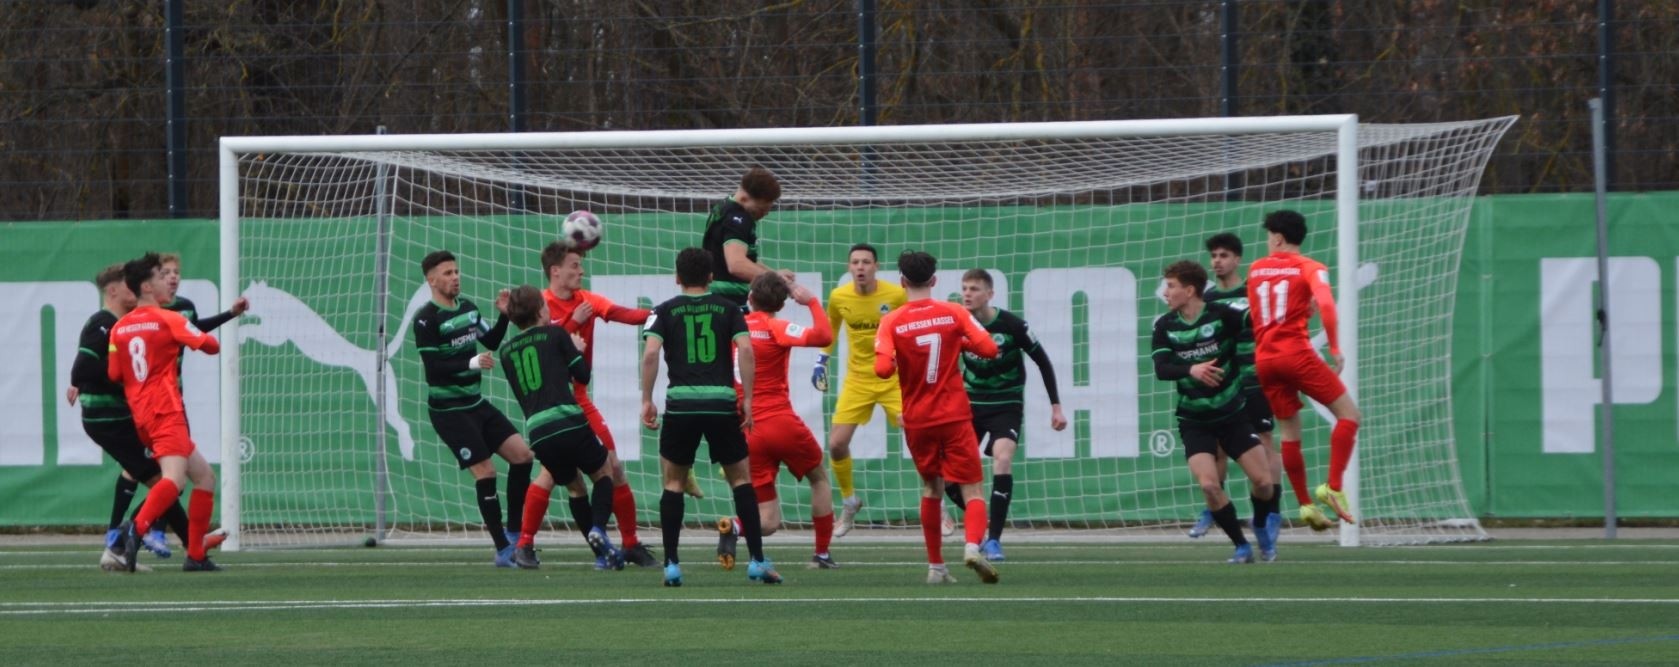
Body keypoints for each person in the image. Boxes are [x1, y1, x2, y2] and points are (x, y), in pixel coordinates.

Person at [540, 241, 699, 568]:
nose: (581, 271)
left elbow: (626, 315)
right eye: (574, 265)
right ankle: (522, 543)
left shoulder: (588, 301)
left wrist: (662, 313)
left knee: (612, 468)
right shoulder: (540, 306)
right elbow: (540, 347)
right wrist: (571, 321)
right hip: (551, 403)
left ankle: (628, 544)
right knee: (554, 477)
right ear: (555, 271)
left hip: (579, 400)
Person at [640, 247, 780, 587]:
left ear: (677, 277)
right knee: (741, 481)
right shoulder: (730, 308)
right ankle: (757, 561)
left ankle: (671, 566)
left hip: (681, 404)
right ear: (711, 277)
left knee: (673, 483)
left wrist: (646, 399)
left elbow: (651, 355)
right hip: (720, 402)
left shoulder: (662, 311)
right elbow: (746, 349)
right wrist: (748, 399)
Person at [872, 250, 1000, 584]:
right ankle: (971, 546)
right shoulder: (954, 312)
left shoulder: (891, 321)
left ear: (902, 282)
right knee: (972, 489)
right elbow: (990, 349)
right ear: (934, 280)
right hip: (954, 415)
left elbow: (882, 369)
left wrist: (897, 358)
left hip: (918, 420)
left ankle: (936, 567)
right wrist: (960, 342)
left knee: (931, 488)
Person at [68, 264, 200, 571]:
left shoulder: (125, 324)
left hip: (122, 416)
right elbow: (81, 370)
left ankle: (192, 547)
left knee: (167, 481)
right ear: (113, 290)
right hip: (107, 418)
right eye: (127, 285)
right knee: (169, 481)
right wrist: (125, 378)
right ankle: (124, 544)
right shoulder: (102, 324)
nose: (135, 288)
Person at [1153, 260, 1280, 563]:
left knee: (1264, 483)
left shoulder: (1222, 315)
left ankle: (1260, 522)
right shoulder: (1165, 326)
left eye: (1171, 286)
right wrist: (1191, 369)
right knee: (1210, 485)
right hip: (1195, 421)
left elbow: (1259, 321)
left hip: (1234, 416)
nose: (1165, 293)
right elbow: (1162, 369)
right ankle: (1241, 546)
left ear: (1190, 290)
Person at [411, 250, 533, 566]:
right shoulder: (426, 319)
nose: (455, 277)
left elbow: (490, 341)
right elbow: (434, 369)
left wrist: (504, 315)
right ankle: (503, 550)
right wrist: (471, 362)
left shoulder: (468, 309)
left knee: (523, 456)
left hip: (476, 403)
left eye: (456, 271)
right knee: (486, 472)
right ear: (432, 280)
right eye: (447, 273)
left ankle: (514, 534)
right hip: (448, 410)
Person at [1195, 233, 1322, 535]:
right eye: (1214, 256)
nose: (1217, 261)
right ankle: (1213, 508)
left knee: (1264, 442)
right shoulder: (1207, 299)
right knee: (1217, 447)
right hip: (1224, 384)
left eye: (1224, 255)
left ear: (1237, 260)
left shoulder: (1253, 289)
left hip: (1256, 377)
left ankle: (1271, 513)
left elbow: (1278, 318)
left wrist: (1305, 308)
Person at [107, 252, 224, 572]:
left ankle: (195, 555)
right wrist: (187, 333)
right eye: (161, 276)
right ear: (146, 287)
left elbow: (115, 373)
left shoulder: (119, 329)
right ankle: (135, 528)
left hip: (142, 416)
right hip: (166, 410)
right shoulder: (169, 319)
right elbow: (211, 346)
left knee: (205, 477)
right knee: (174, 479)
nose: (168, 281)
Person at [941, 268, 1067, 562]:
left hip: (1006, 404)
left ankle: (995, 541)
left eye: (974, 289)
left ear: (990, 294)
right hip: (970, 405)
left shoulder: (1012, 325)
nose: (967, 294)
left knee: (1003, 459)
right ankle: (980, 523)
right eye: (964, 288)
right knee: (949, 478)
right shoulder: (957, 324)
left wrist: (1056, 406)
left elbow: (1043, 361)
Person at [497, 285, 625, 571]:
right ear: (540, 311)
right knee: (604, 471)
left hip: (538, 431)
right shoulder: (556, 334)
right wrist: (577, 350)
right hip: (568, 420)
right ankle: (599, 530)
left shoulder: (506, 351)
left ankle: (601, 556)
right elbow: (582, 375)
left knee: (575, 487)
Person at [1247, 210, 1364, 525]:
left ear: (1278, 238)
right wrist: (1335, 348)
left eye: (1268, 237)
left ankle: (1305, 505)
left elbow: (1264, 312)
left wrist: (1300, 309)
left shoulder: (1255, 269)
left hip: (1265, 360)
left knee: (1288, 433)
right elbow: (1326, 304)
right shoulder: (1311, 267)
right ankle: (1333, 487)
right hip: (1295, 354)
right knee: (1350, 416)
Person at [734, 272, 839, 569]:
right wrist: (812, 302)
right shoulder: (776, 326)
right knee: (819, 479)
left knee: (768, 520)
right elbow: (824, 336)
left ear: (750, 298)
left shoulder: (734, 328)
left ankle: (735, 525)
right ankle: (821, 554)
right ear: (781, 306)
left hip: (748, 428)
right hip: (780, 422)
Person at [813, 243, 907, 537]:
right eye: (855, 262)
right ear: (849, 267)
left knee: (920, 437)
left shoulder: (896, 295)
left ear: (876, 266)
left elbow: (909, 330)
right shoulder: (839, 297)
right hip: (857, 380)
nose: (860, 267)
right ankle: (850, 501)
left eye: (866, 262)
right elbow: (830, 330)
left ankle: (937, 503)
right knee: (836, 444)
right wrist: (821, 361)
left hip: (893, 378)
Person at [700, 166, 790, 310]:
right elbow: (737, 264)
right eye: (762, 209)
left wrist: (775, 276)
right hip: (726, 304)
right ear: (744, 199)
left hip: (716, 300)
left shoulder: (724, 207)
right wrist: (775, 281)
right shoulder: (738, 219)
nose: (766, 214)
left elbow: (746, 261)